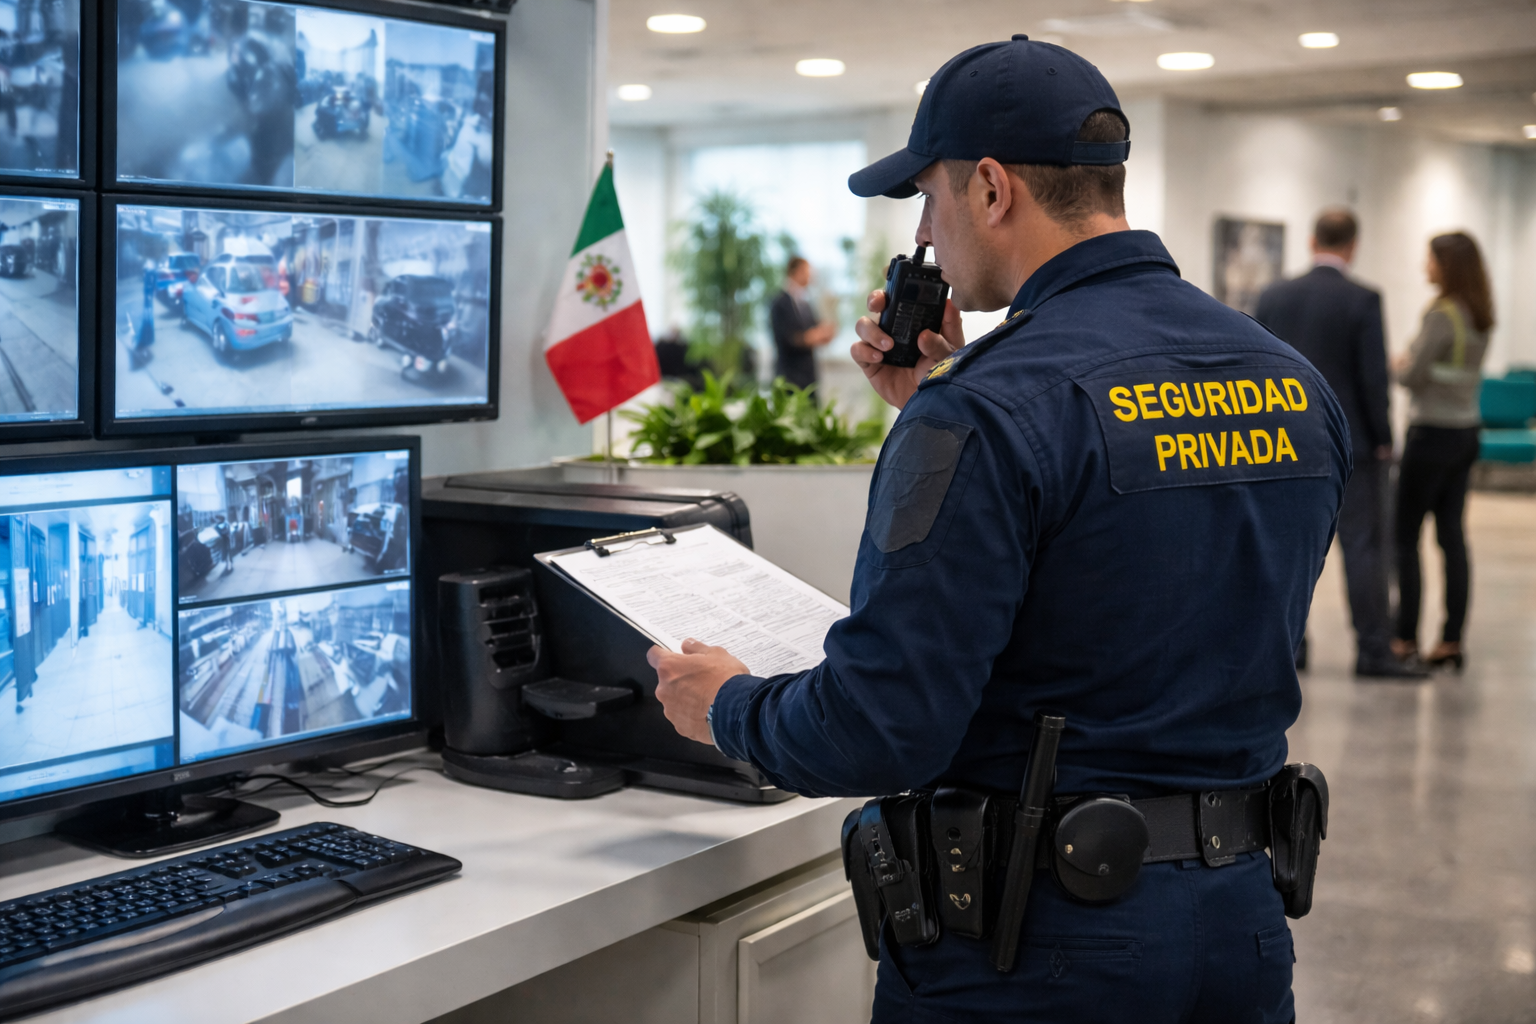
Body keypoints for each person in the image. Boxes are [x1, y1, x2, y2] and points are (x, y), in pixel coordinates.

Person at [647, 35, 1348, 1023]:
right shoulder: (1291, 382)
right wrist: (935, 409)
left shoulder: (985, 410)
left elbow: (880, 727)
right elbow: (1162, 588)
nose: (925, 236)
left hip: (1038, 949)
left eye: (926, 197)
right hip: (1240, 926)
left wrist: (728, 706)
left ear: (989, 188)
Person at [1255, 210, 1424, 678]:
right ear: (1353, 245)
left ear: (1312, 240)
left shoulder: (1274, 295)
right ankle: (1374, 650)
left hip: (1282, 442)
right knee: (1364, 548)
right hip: (1351, 445)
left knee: (1286, 546)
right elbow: (1373, 378)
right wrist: (1385, 438)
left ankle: (1289, 650)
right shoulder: (1363, 299)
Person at [1392, 232, 1492, 672]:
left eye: (1430, 260)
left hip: (1431, 433)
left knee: (1405, 536)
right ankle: (1451, 640)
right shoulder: (1479, 313)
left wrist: (1401, 364)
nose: (1424, 267)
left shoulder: (1440, 313)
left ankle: (1404, 637)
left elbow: (1412, 376)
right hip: (1467, 432)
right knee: (1452, 536)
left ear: (1446, 265)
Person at [768, 256, 835, 391]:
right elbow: (782, 338)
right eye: (807, 271)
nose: (811, 275)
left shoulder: (805, 304)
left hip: (808, 377)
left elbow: (816, 328)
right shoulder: (779, 303)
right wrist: (809, 337)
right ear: (797, 271)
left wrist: (824, 332)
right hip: (789, 377)